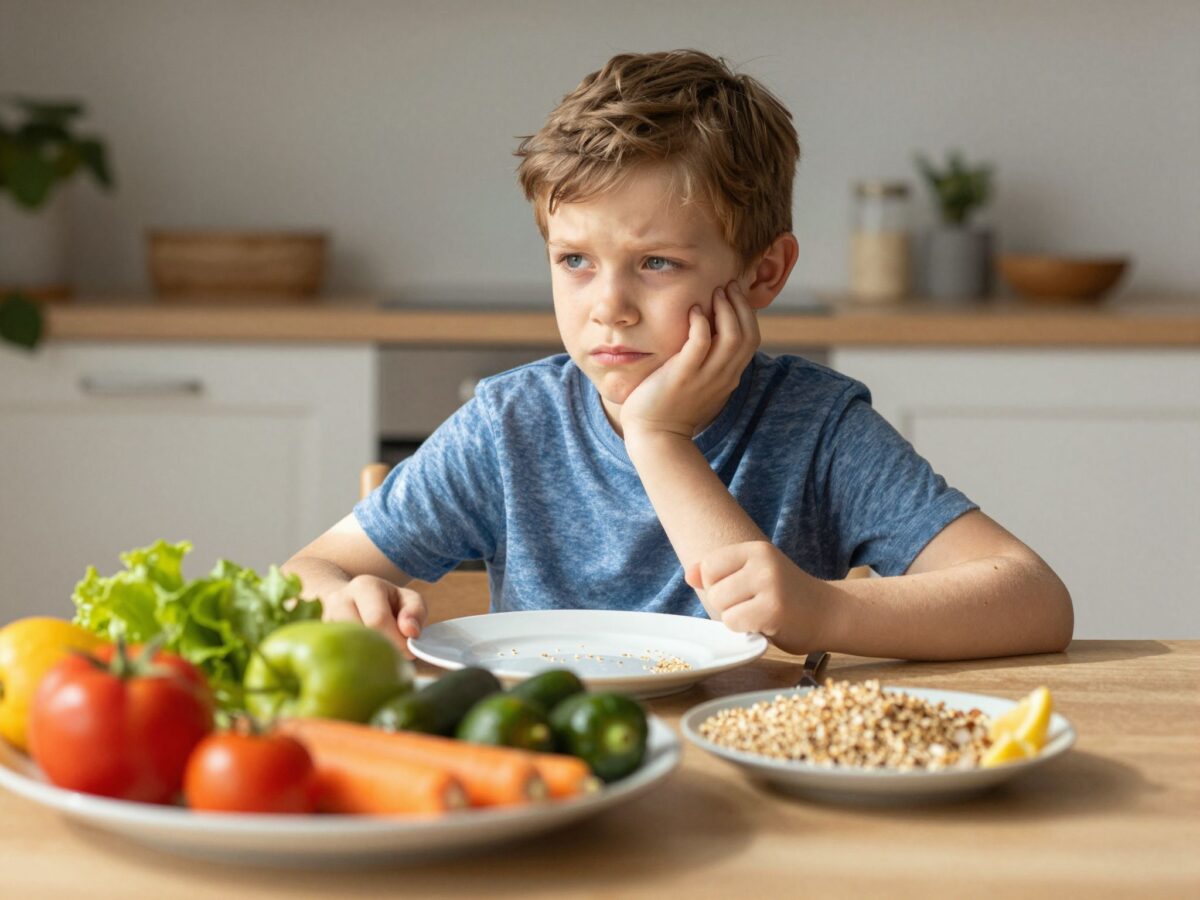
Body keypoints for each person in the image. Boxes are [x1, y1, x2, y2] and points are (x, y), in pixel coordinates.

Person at [282, 49, 1073, 661]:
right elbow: (304, 572)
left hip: (761, 765)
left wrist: (826, 611)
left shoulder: (816, 428)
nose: (608, 306)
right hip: (560, 766)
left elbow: (1036, 601)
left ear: (761, 273)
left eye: (656, 263)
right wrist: (344, 599)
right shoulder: (510, 425)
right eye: (574, 261)